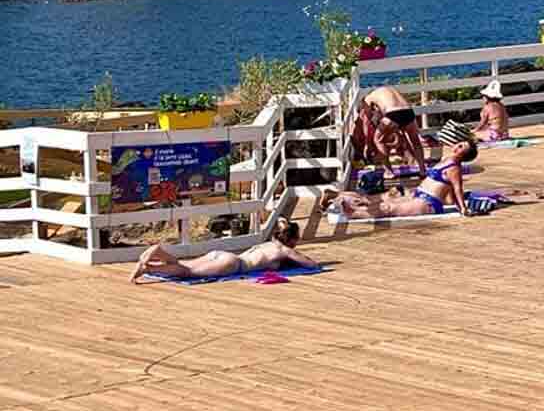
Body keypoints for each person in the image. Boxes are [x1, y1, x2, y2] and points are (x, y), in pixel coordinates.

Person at [329, 140, 483, 220]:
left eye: (462, 146)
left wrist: (463, 208)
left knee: (390, 210)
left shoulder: (454, 168)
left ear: (463, 154)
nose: (458, 145)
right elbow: (448, 191)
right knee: (385, 202)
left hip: (427, 203)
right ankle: (353, 206)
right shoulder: (446, 160)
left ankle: (353, 213)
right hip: (419, 195)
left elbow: (457, 188)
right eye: (460, 144)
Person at [130, 221, 315, 283]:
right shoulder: (283, 250)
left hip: (221, 254)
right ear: (291, 240)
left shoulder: (269, 243)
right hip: (234, 264)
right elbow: (310, 264)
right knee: (188, 273)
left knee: (184, 265)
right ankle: (149, 269)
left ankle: (159, 254)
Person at [352, 86, 429, 177]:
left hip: (392, 113)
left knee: (378, 139)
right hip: (408, 111)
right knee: (415, 142)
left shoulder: (367, 100)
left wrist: (368, 145)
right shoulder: (386, 91)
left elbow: (367, 121)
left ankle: (389, 172)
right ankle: (422, 170)